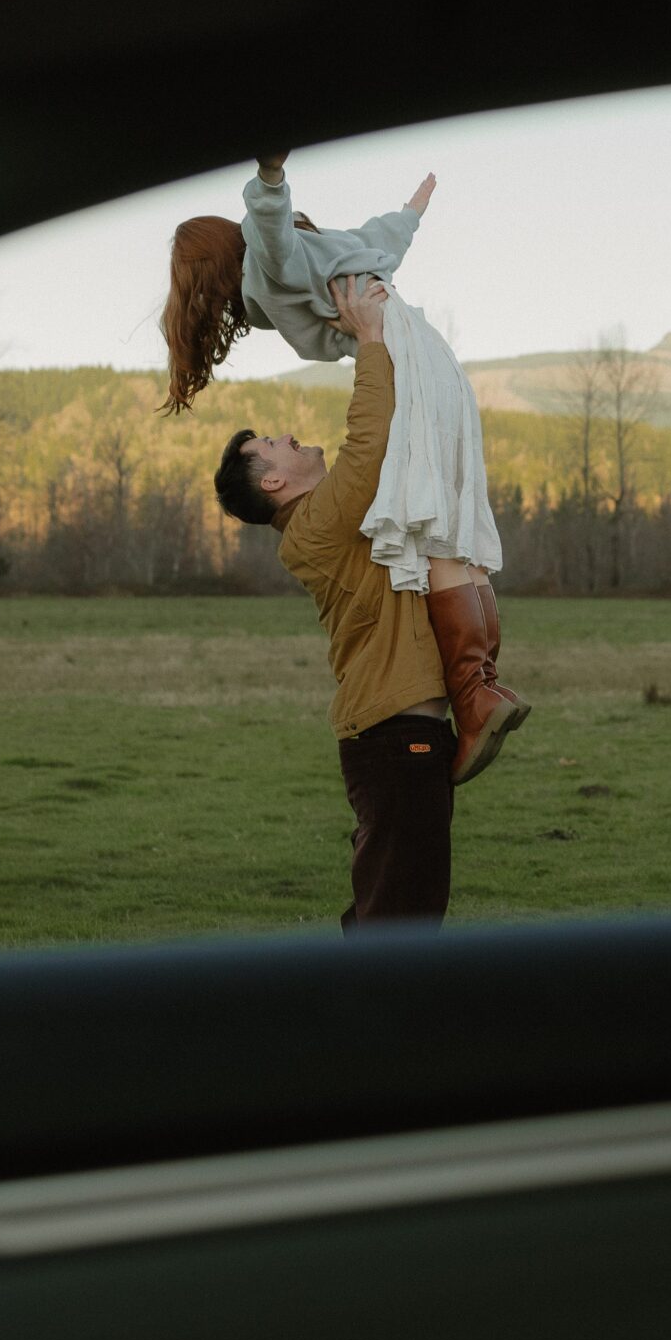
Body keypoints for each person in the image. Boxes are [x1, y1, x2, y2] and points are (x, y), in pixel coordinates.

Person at [163, 152, 524, 790]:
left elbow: (331, 240)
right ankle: (481, 688)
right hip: (426, 362)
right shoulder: (282, 265)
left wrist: (397, 213)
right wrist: (276, 180)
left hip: (404, 360)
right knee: (446, 532)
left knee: (432, 528)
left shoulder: (287, 267)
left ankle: (476, 695)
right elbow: (337, 239)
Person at [212, 279, 478, 929]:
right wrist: (369, 340)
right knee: (400, 920)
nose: (288, 435)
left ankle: (357, 1019)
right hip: (394, 739)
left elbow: (388, 459)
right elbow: (369, 446)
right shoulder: (314, 525)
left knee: (396, 910)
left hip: (399, 738)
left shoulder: (332, 521)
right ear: (274, 483)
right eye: (273, 445)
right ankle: (359, 1024)